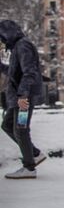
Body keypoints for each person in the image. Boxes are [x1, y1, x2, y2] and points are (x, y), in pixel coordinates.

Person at [0, 20, 45, 179]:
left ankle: (29, 167)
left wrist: (23, 95)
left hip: (23, 98)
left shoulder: (23, 46)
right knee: (7, 125)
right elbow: (14, 73)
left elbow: (30, 72)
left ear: (8, 33)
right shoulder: (17, 48)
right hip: (18, 98)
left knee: (20, 128)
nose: (2, 41)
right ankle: (34, 154)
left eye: (2, 37)